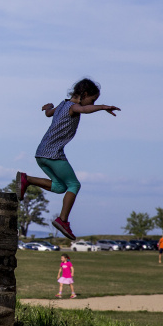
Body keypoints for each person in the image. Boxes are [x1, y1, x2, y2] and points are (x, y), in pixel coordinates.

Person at [16, 78, 120, 241]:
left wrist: (48, 106)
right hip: (53, 154)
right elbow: (84, 110)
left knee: (59, 187)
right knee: (74, 185)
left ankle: (26, 179)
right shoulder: (73, 107)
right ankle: (62, 220)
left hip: (41, 154)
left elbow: (49, 113)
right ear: (84, 95)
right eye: (92, 100)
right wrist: (102, 107)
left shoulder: (62, 105)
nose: (92, 103)